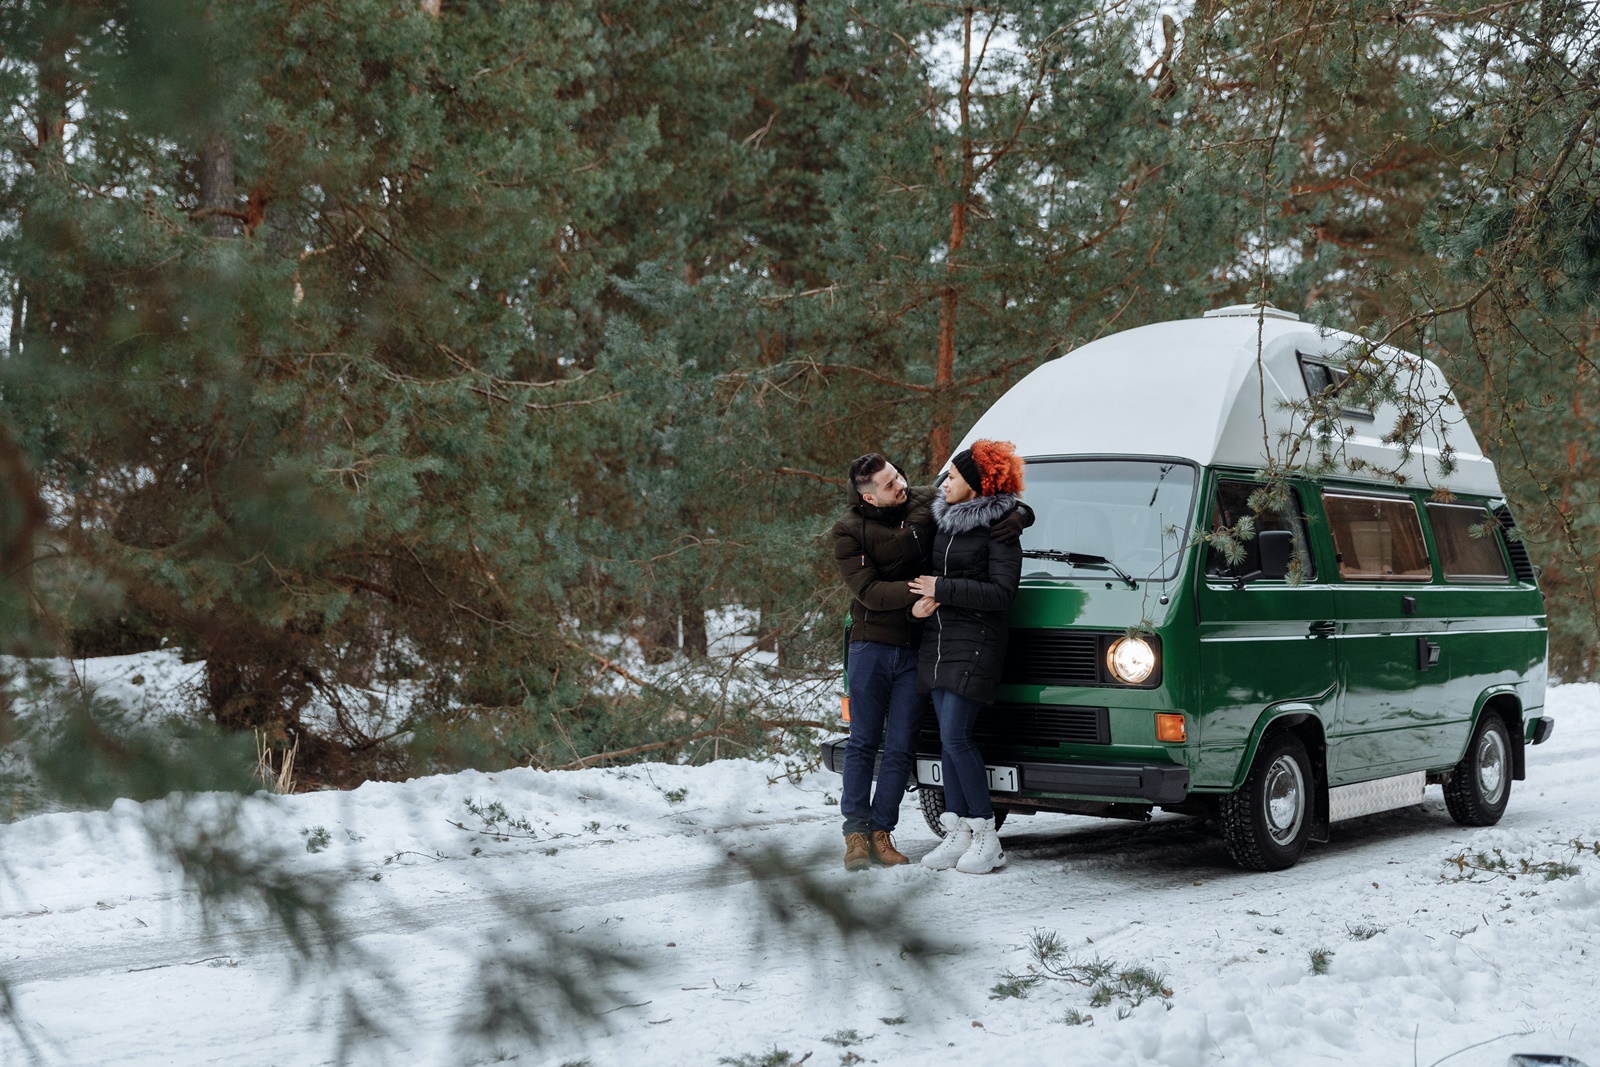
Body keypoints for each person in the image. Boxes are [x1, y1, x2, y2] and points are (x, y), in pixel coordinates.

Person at [832, 453, 1028, 871]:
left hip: (920, 645)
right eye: (888, 485)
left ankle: (883, 832)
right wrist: (921, 592)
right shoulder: (848, 530)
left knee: (904, 745)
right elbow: (869, 592)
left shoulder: (923, 501)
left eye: (897, 475)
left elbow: (984, 494)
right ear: (869, 498)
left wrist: (1020, 513)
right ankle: (855, 833)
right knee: (865, 741)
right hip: (874, 643)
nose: (900, 485)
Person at [909, 440, 1025, 875]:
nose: (945, 483)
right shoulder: (944, 520)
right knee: (946, 740)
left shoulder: (999, 528)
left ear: (976, 485)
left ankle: (987, 836)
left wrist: (942, 589)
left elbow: (1001, 594)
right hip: (940, 641)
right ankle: (956, 831)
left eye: (954, 477)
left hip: (976, 641)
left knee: (957, 736)